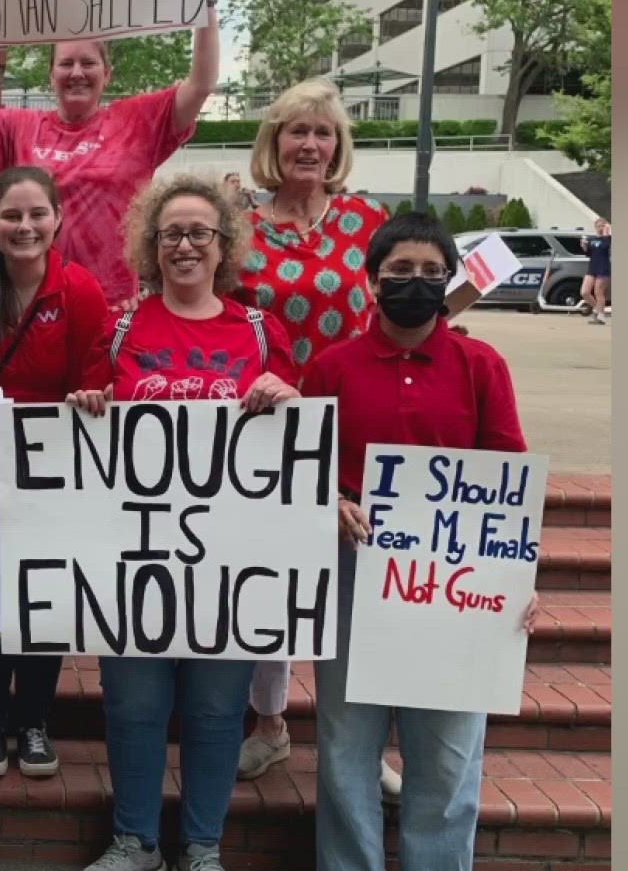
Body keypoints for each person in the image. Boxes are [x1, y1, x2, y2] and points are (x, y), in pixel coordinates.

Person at [65, 174, 302, 871]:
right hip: (136, 557)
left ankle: (202, 846)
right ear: (152, 244)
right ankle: (134, 842)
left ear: (224, 244)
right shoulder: (121, 329)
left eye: (200, 232)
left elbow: (296, 440)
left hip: (229, 562)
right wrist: (89, 402)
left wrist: (285, 395)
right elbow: (89, 418)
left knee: (214, 712)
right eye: (172, 234)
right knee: (133, 707)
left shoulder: (260, 331)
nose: (186, 245)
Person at [302, 212, 537, 871]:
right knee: (348, 746)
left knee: (449, 754)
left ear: (450, 281)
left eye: (433, 273)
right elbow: (303, 473)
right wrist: (332, 503)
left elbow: (508, 476)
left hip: (458, 586)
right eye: (401, 271)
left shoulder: (482, 365)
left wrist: (518, 576)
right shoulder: (331, 367)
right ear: (372, 280)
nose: (417, 283)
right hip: (354, 575)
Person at [228, 78, 400, 798]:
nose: (310, 145)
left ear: (338, 147)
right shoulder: (244, 226)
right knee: (270, 580)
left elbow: (400, 306)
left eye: (322, 133)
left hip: (354, 418)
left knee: (357, 584)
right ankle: (268, 725)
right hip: (267, 426)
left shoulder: (369, 221)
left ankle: (369, 742)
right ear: (274, 143)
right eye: (296, 131)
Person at [0, 0, 221, 307]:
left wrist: (206, 6)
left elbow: (201, 85)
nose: (76, 73)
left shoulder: (137, 121)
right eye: (66, 64)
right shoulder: (19, 127)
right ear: (50, 75)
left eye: (88, 63)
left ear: (107, 74)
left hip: (113, 304)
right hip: (32, 303)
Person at [0, 165, 105, 781]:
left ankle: (32, 722)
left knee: (43, 595)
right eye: (11, 215)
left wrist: (90, 396)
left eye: (37, 214)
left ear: (57, 219)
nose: (24, 226)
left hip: (55, 468)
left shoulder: (80, 290)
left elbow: (92, 376)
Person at [582, 218, 611, 324]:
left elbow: (605, 247)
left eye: (603, 226)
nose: (601, 228)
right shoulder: (592, 239)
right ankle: (598, 310)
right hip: (592, 267)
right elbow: (589, 253)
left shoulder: (608, 238)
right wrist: (585, 247)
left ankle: (601, 315)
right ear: (595, 227)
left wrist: (606, 234)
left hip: (603, 268)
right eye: (599, 226)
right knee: (585, 292)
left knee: (598, 292)